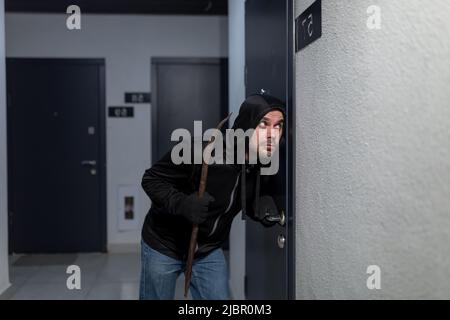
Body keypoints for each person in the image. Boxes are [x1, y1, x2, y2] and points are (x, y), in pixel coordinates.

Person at [139, 93, 285, 300]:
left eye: (278, 126)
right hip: (163, 245)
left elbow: (234, 196)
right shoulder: (199, 151)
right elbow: (151, 179)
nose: (272, 134)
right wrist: (182, 204)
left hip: (207, 250)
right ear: (246, 125)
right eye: (264, 124)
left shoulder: (261, 164)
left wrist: (256, 207)